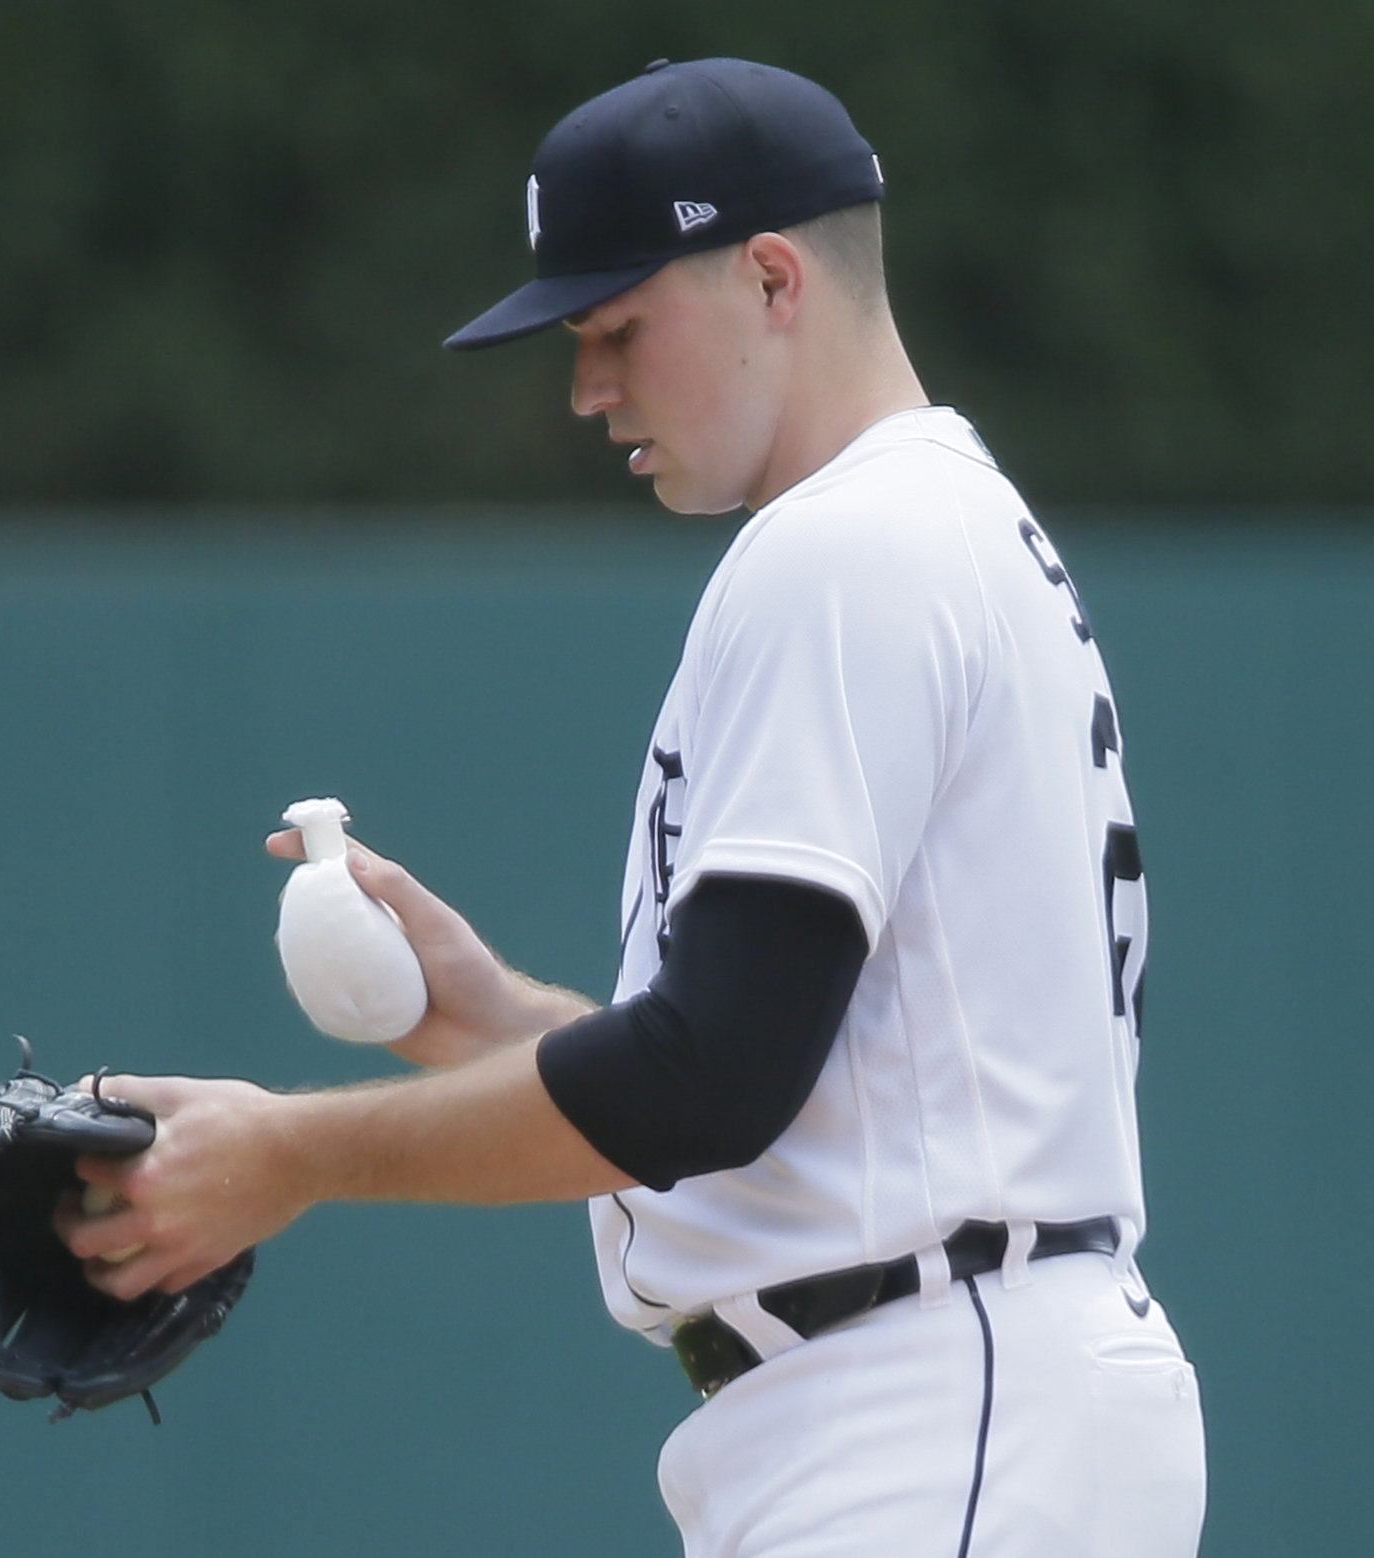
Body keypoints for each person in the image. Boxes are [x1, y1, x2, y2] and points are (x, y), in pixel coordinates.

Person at [60, 57, 1207, 1558]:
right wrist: (486, 1015)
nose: (589, 387)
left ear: (775, 277)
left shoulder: (847, 547)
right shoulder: (935, 526)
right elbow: (800, 1089)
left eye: (617, 327)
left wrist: (292, 1153)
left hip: (935, 1402)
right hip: (943, 1390)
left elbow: (706, 1079)